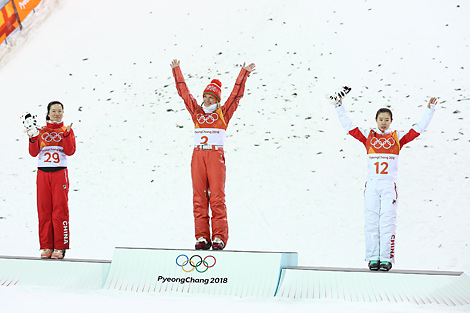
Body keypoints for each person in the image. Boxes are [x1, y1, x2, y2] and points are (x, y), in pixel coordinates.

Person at [330, 88, 437, 271]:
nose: (384, 123)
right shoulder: (368, 137)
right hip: (372, 185)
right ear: (376, 120)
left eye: (387, 120)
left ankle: (386, 258)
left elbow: (418, 129)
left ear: (391, 121)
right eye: (381, 119)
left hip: (388, 185)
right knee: (371, 222)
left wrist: (430, 110)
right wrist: (339, 106)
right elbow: (349, 126)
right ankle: (373, 258)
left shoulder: (397, 138)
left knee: (387, 221)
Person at [170, 59, 255, 250]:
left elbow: (236, 95)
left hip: (215, 157)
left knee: (216, 197)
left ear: (217, 100)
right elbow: (185, 95)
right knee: (199, 197)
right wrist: (176, 70)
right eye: (205, 97)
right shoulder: (197, 112)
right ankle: (202, 237)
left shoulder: (223, 113)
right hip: (198, 157)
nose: (207, 100)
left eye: (211, 98)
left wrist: (243, 72)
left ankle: (219, 237)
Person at [24, 101, 76, 259]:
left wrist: (66, 135)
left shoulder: (66, 130)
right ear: (48, 113)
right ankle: (46, 245)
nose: (57, 114)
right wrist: (32, 138)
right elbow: (33, 153)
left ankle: (60, 247)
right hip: (43, 174)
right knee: (44, 209)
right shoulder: (40, 131)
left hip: (60, 173)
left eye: (60, 111)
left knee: (59, 210)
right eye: (53, 111)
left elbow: (70, 151)